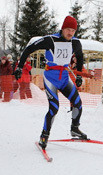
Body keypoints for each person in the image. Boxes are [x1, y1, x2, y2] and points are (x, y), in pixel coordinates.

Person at [14, 15, 87, 149]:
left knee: (78, 103)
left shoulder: (75, 42)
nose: (70, 33)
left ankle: (75, 128)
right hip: (50, 77)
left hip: (64, 77)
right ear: (63, 28)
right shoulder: (50, 40)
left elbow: (80, 55)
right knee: (54, 108)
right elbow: (29, 49)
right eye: (68, 29)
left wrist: (79, 75)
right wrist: (19, 66)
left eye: (73, 30)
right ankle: (44, 135)